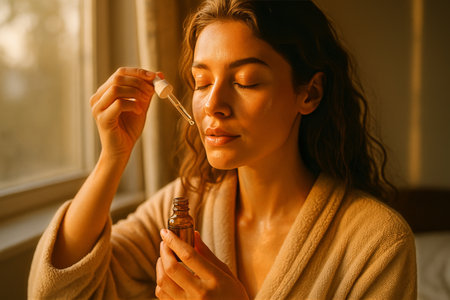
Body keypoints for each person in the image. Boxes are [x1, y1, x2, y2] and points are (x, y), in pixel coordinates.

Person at [29, 0, 417, 299]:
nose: (213, 105)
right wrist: (112, 158)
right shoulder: (184, 205)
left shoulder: (377, 242)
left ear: (309, 93)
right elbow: (57, 292)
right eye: (201, 81)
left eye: (246, 81)